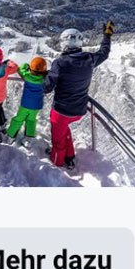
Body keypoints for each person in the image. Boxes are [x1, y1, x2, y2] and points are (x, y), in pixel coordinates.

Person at [44, 21, 114, 169]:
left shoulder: (60, 63)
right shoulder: (89, 59)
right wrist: (107, 35)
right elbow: (104, 52)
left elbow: (47, 87)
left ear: (64, 43)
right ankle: (69, 157)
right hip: (79, 110)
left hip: (61, 112)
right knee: (65, 130)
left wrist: (36, 78)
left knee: (57, 141)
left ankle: (57, 163)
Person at [7, 57, 49, 140]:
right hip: (36, 105)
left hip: (25, 104)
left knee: (18, 119)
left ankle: (11, 135)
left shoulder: (27, 76)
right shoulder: (44, 80)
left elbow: (21, 69)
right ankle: (29, 137)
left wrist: (26, 65)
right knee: (31, 120)